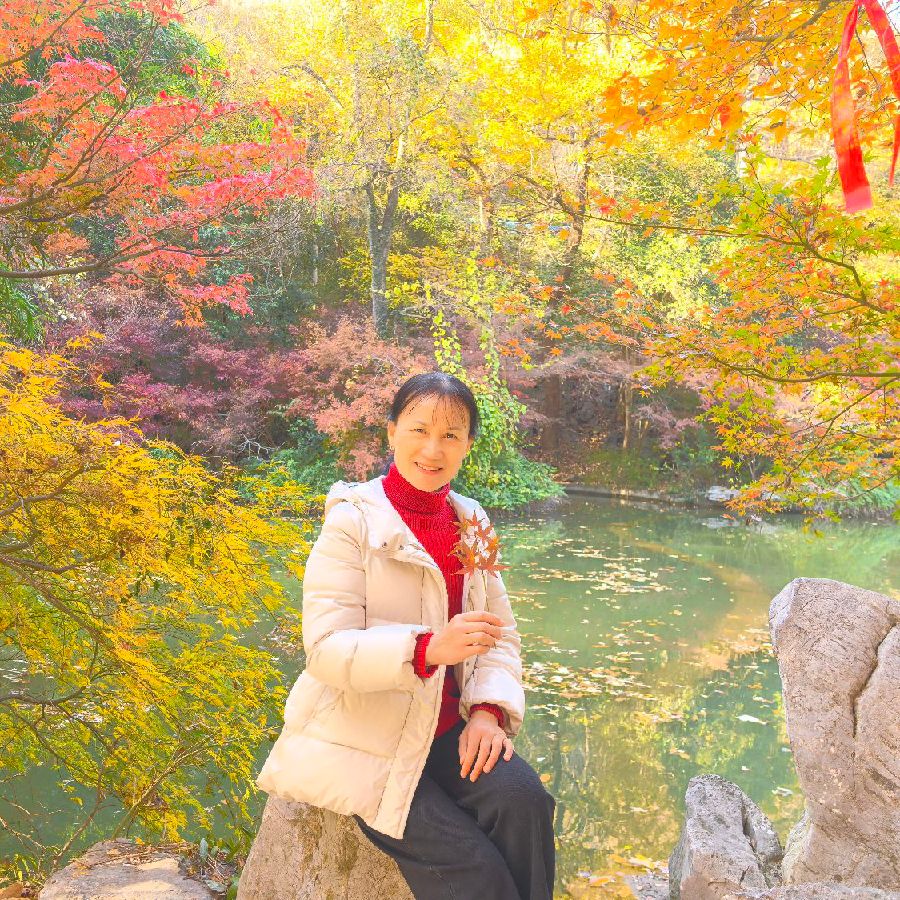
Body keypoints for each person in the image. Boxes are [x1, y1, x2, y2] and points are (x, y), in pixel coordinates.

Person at [256, 372, 556, 899]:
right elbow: (325, 650)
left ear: (467, 444)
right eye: (419, 430)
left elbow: (499, 634)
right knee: (476, 869)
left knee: (525, 801)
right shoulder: (353, 523)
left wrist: (488, 711)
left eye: (451, 435)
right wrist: (427, 649)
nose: (433, 449)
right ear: (391, 432)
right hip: (369, 739)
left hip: (448, 731)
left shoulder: (471, 521)